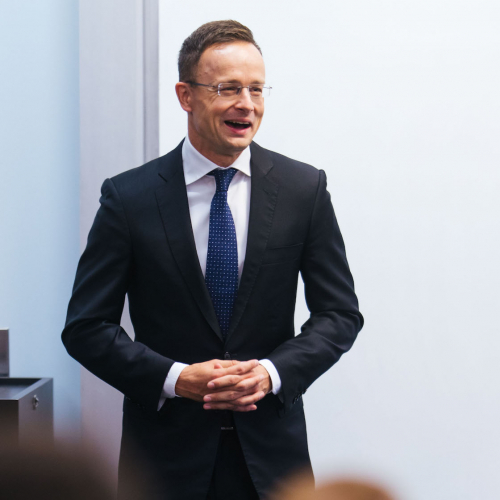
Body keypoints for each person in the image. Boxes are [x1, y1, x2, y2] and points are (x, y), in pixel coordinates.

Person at [62, 20, 363, 499]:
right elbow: (86, 327)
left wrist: (272, 373)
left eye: (256, 89)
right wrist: (176, 379)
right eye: (228, 88)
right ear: (186, 96)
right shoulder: (128, 198)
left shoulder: (304, 190)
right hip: (162, 463)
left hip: (272, 461)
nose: (247, 103)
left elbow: (339, 314)